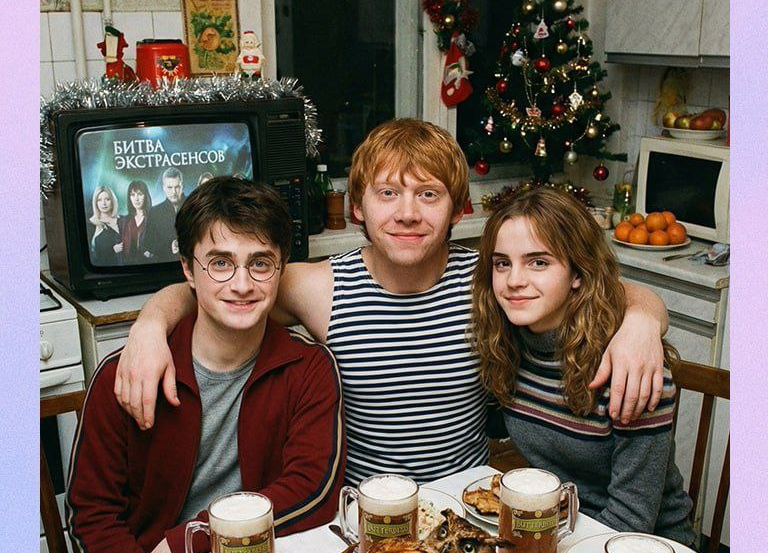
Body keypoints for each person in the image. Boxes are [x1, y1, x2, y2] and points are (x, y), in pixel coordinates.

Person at [113, 119, 669, 485]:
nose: (407, 213)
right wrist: (149, 326)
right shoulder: (321, 287)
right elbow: (214, 287)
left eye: (428, 194)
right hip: (363, 516)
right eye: (388, 193)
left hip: (466, 507)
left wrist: (642, 321)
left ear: (458, 209)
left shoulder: (489, 278)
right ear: (358, 206)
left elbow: (600, 288)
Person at [59, 177, 345, 553]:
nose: (242, 284)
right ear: (188, 270)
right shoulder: (125, 373)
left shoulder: (309, 368)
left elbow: (311, 490)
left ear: (281, 270)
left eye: (260, 263)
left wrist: (186, 542)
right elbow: (92, 515)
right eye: (220, 263)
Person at [470, 186, 694, 544]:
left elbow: (632, 519)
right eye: (502, 263)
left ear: (578, 272)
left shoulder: (630, 364)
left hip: (644, 549)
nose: (514, 281)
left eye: (538, 262)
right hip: (558, 526)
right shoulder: (507, 343)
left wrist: (539, 552)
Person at [151, 167, 186, 261]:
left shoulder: (194, 206)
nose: (174, 192)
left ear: (182, 186)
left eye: (177, 187)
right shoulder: (154, 212)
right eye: (170, 188)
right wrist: (169, 246)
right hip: (165, 265)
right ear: (164, 188)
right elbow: (150, 245)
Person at [120, 179, 158, 263]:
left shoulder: (154, 218)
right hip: (128, 264)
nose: (136, 199)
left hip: (149, 263)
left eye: (140, 194)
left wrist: (151, 254)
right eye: (132, 195)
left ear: (146, 196)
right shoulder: (125, 221)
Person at [88, 185, 122, 265]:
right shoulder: (91, 224)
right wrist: (111, 251)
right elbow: (93, 255)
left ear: (113, 201)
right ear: (95, 203)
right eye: (99, 200)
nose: (103, 203)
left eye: (107, 199)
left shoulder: (123, 220)